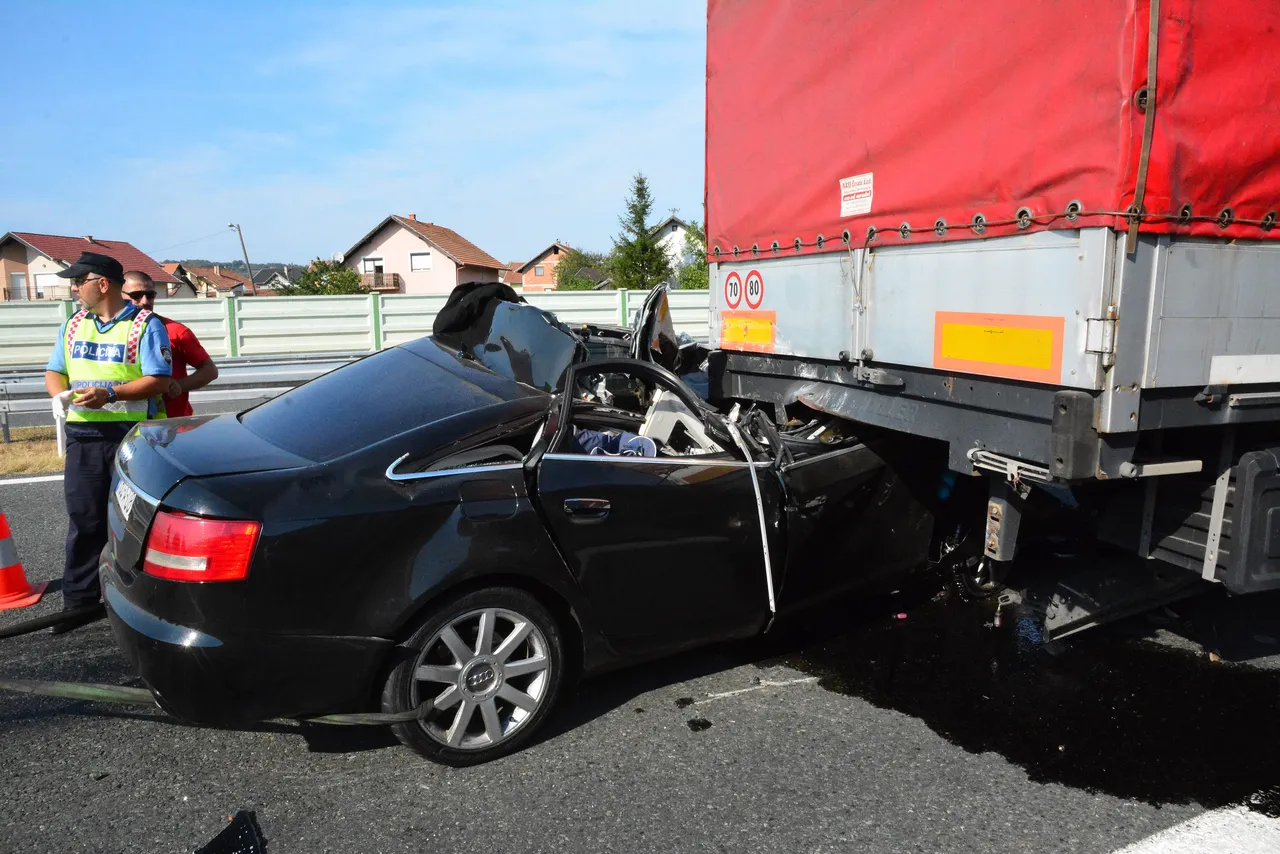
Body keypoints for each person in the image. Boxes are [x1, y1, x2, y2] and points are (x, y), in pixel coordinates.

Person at [44, 253, 172, 633]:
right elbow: (55, 370)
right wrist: (57, 395)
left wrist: (111, 394)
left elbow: (159, 380)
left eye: (78, 281)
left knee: (136, 522)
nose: (73, 287)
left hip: (132, 435)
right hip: (84, 435)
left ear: (101, 284)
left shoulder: (145, 326)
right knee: (84, 519)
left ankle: (142, 603)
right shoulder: (72, 324)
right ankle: (80, 603)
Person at [122, 271, 219, 417]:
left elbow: (210, 370)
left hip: (174, 425)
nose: (145, 301)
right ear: (119, 295)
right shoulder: (109, 332)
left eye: (150, 295)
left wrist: (180, 385)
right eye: (136, 295)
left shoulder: (176, 331)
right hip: (125, 424)